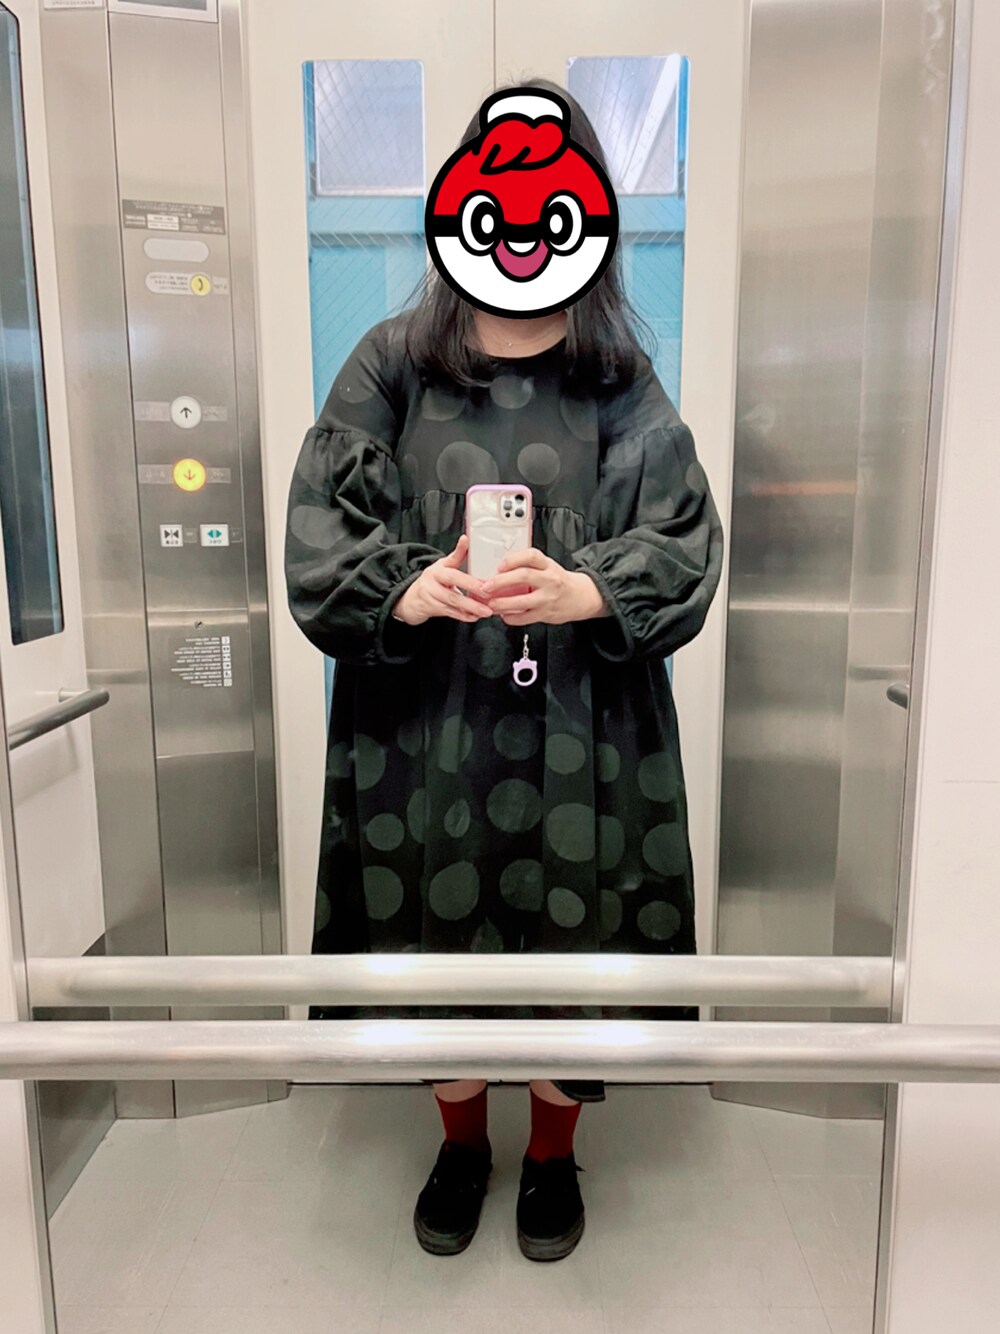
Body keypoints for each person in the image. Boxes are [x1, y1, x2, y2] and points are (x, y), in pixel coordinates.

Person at [284, 79, 724, 1263]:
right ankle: (462, 1142)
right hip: (422, 721)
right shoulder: (391, 362)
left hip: (585, 718)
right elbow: (321, 529)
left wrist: (587, 589)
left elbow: (683, 536)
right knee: (434, 927)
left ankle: (550, 1154)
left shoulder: (616, 374)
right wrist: (406, 585)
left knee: (572, 937)